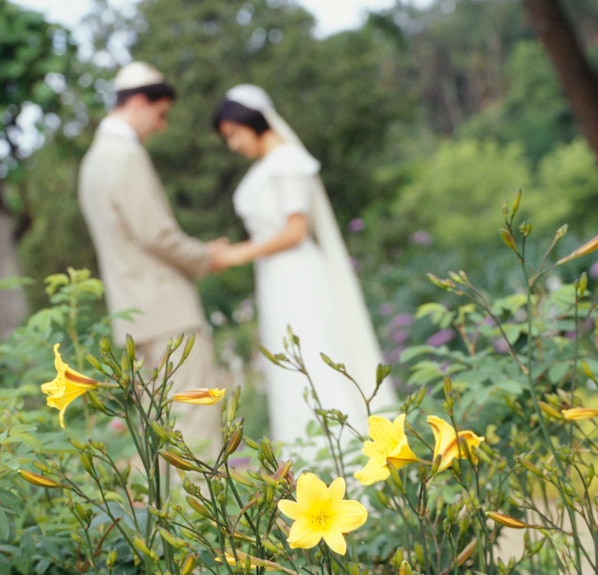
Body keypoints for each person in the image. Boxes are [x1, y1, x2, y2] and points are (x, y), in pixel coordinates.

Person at [210, 84, 397, 458]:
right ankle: (307, 457)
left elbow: (295, 230)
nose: (233, 145)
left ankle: (345, 454)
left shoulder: (288, 161)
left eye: (234, 134)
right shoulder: (266, 167)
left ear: (252, 122)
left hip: (299, 276)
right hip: (275, 279)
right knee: (290, 361)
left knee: (314, 353)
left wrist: (240, 254)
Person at [78, 62, 227, 458]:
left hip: (131, 318)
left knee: (158, 434)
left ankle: (170, 520)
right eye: (161, 115)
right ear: (140, 102)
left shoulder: (92, 161)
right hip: (168, 314)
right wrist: (205, 256)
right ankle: (207, 520)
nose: (161, 126)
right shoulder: (124, 156)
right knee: (194, 422)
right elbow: (156, 234)